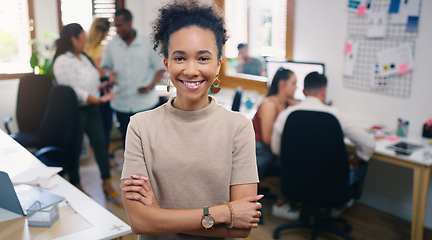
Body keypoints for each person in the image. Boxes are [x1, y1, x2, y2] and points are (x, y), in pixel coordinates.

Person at [120, 1, 263, 239]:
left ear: (218, 65)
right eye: (179, 58)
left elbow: (242, 227)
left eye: (203, 58)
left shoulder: (239, 128)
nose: (191, 70)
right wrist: (224, 213)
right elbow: (140, 222)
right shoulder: (140, 126)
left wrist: (158, 214)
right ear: (166, 64)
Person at [271, 71, 376, 216]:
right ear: (324, 91)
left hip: (294, 184)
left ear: (303, 91)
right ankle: (337, 207)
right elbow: (369, 144)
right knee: (360, 162)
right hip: (331, 187)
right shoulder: (336, 115)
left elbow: (276, 149)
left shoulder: (287, 114)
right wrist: (355, 160)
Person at [52, 23, 120, 202]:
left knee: (100, 144)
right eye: (83, 38)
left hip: (92, 109)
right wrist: (96, 99)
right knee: (74, 148)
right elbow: (73, 90)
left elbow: (89, 82)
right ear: (73, 39)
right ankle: (76, 184)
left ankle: (106, 183)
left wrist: (101, 86)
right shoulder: (62, 61)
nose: (86, 41)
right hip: (75, 111)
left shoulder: (83, 57)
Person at [100, 8, 165, 146]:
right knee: (128, 142)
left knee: (148, 142)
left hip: (145, 103)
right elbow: (105, 66)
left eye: (120, 25)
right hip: (121, 103)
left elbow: (160, 68)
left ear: (130, 22)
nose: (117, 29)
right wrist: (109, 73)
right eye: (115, 26)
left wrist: (150, 85)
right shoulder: (112, 45)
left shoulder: (147, 43)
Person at [252, 68, 299, 220]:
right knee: (294, 162)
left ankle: (287, 199)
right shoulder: (270, 105)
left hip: (269, 149)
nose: (296, 87)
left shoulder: (285, 104)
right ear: (282, 84)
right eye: (293, 83)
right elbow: (267, 139)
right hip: (260, 151)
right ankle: (281, 203)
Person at [85, 18, 118, 167]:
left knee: (100, 126)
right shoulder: (100, 48)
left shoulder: (86, 47)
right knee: (105, 126)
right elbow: (99, 71)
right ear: (104, 32)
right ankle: (106, 159)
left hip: (91, 90)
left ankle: (103, 158)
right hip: (102, 88)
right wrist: (110, 77)